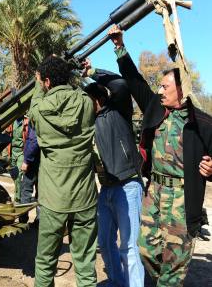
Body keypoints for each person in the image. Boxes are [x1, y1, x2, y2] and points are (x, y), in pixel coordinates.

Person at [108, 25, 212, 286]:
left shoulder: (201, 122)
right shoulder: (156, 107)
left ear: (181, 89)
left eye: (165, 86)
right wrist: (120, 46)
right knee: (145, 249)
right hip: (154, 194)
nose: (160, 90)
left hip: (182, 199)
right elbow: (134, 81)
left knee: (174, 266)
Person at [29, 56, 97, 287]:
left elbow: (35, 105)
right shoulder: (86, 103)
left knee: (46, 262)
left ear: (46, 82)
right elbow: (83, 91)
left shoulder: (39, 110)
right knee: (85, 264)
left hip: (53, 200)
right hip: (84, 197)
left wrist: (39, 84)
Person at [83, 66, 144, 287]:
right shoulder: (88, 122)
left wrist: (93, 71)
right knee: (105, 242)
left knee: (128, 245)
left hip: (128, 186)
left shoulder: (118, 110)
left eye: (87, 99)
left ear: (98, 98)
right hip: (106, 189)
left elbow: (120, 84)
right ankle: (116, 282)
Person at [20, 121, 40, 225]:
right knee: (41, 192)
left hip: (33, 162)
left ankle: (23, 219)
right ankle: (39, 221)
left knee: (26, 190)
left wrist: (26, 160)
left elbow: (33, 140)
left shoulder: (36, 119)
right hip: (43, 162)